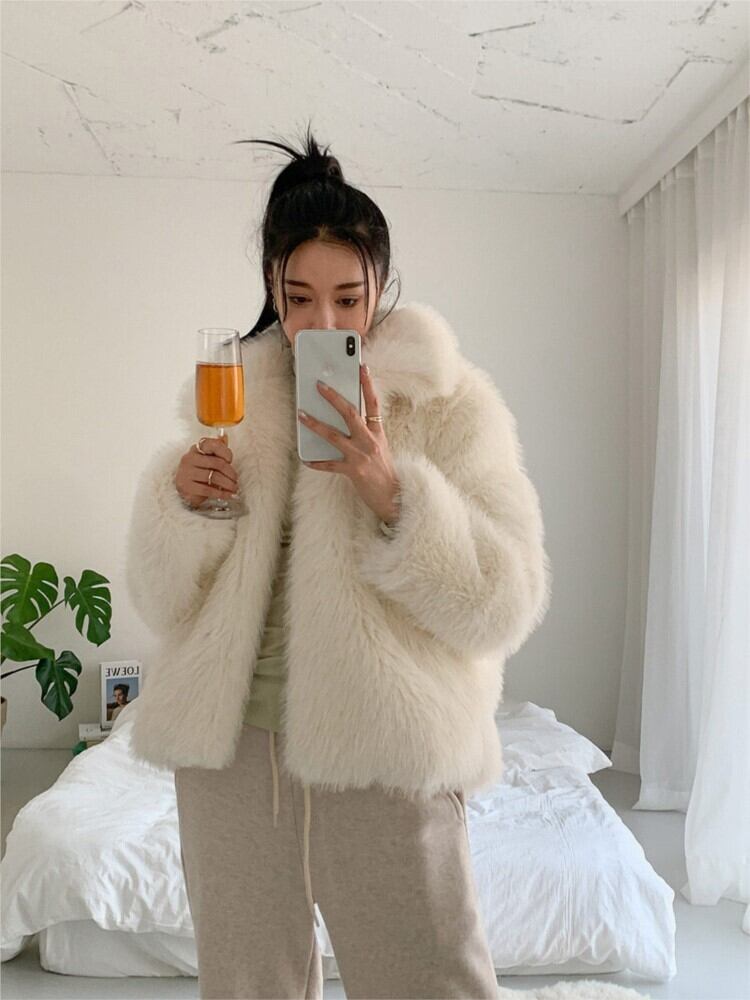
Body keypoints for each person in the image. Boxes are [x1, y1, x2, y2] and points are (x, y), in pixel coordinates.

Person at [125, 123, 552, 1000]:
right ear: (272, 290)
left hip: (388, 753)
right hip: (231, 760)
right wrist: (182, 506)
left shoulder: (449, 403)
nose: (324, 322)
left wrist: (394, 492)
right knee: (245, 988)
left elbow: (509, 600)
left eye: (349, 298)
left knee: (431, 983)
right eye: (300, 298)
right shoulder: (229, 398)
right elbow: (160, 600)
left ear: (381, 287)